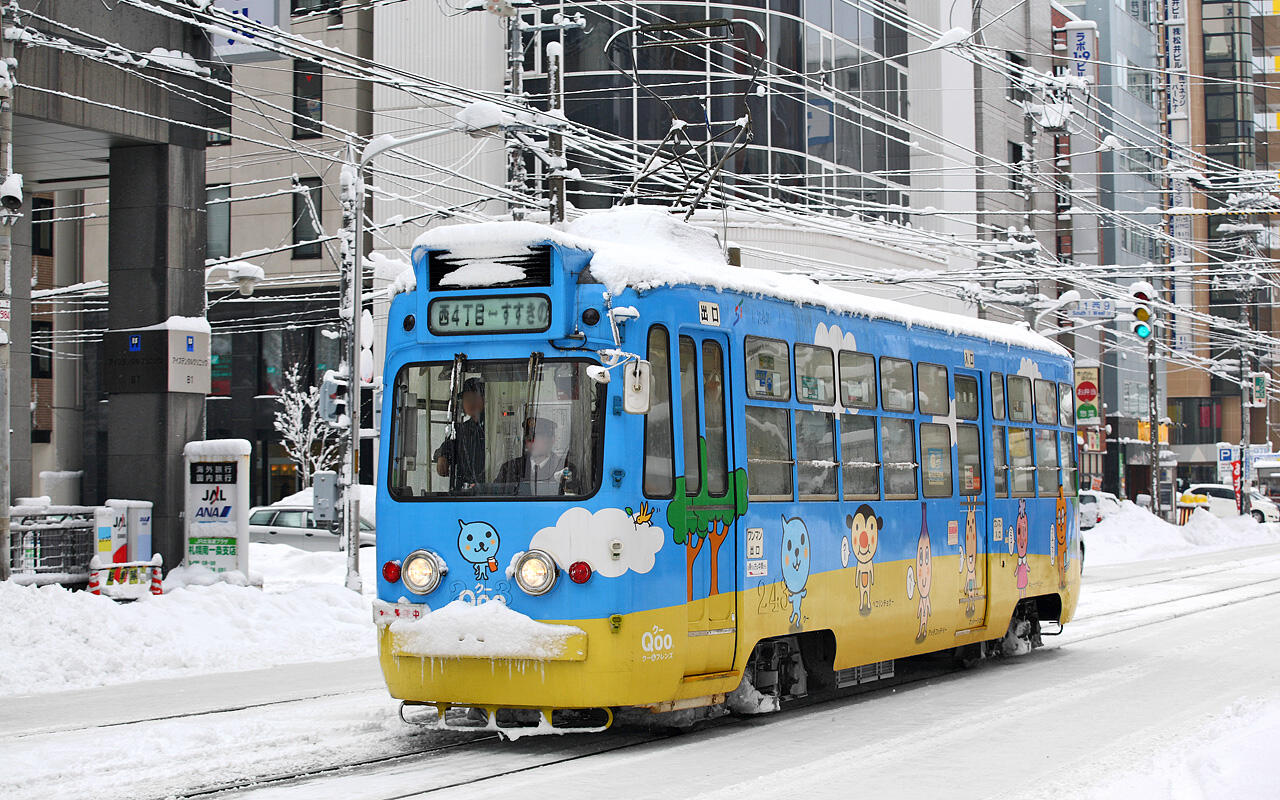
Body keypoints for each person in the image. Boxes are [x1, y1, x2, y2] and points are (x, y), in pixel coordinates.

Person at [496, 417, 578, 495]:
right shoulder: (510, 468)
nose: (533, 443)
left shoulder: (564, 468)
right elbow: (497, 496)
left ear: (552, 439)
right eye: (529, 439)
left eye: (538, 438)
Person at [434, 377, 486, 490]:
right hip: (464, 493)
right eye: (466, 399)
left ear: (484, 399)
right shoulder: (462, 430)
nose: (470, 403)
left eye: (474, 397)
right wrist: (442, 456)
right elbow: (448, 446)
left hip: (492, 492)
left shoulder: (491, 426)